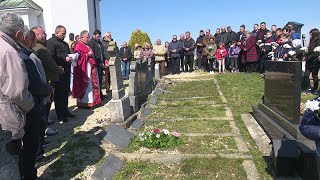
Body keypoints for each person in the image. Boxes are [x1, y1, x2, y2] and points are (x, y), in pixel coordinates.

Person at [0, 13, 34, 179]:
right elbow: (17, 91)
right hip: (7, 117)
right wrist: (31, 105)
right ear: (19, 34)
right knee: (11, 160)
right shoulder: (9, 52)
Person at [19, 26, 52, 180]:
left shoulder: (30, 53)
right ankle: (37, 157)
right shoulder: (25, 56)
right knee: (31, 139)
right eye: (31, 37)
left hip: (37, 99)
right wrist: (47, 89)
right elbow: (33, 82)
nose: (34, 39)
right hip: (33, 102)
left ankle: (38, 150)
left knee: (38, 130)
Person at [31, 26, 64, 137]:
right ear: (37, 35)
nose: (45, 34)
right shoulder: (40, 48)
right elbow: (50, 63)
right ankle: (44, 129)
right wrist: (59, 69)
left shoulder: (36, 47)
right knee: (46, 105)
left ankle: (44, 123)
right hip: (48, 79)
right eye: (43, 33)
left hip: (43, 79)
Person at [47, 25, 75, 123]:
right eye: (63, 34)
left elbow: (66, 53)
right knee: (59, 94)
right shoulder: (51, 42)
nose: (64, 35)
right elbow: (51, 57)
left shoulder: (64, 43)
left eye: (65, 34)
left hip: (66, 71)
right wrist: (64, 58)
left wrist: (70, 58)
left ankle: (66, 111)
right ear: (57, 32)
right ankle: (60, 115)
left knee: (65, 92)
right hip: (58, 72)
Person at [72, 30, 101, 108]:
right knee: (88, 85)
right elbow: (77, 58)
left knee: (93, 84)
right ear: (82, 37)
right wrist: (87, 54)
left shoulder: (87, 45)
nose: (89, 38)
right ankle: (86, 103)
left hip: (91, 67)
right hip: (85, 69)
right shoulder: (78, 45)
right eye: (87, 37)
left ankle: (94, 101)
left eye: (89, 37)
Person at [88, 30, 105, 100]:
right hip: (96, 64)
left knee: (100, 79)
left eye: (99, 36)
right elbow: (93, 54)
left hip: (100, 63)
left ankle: (100, 94)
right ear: (94, 35)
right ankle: (97, 96)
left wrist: (103, 61)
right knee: (96, 81)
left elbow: (102, 53)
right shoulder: (91, 42)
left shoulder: (99, 43)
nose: (99, 38)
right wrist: (99, 62)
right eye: (97, 36)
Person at [305, 29, 320, 94]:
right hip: (309, 61)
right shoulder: (311, 41)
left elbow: (316, 52)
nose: (310, 36)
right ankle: (309, 87)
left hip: (315, 61)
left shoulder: (318, 41)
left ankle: (315, 89)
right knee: (306, 75)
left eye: (311, 34)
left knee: (314, 75)